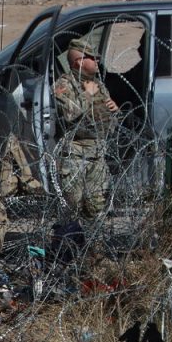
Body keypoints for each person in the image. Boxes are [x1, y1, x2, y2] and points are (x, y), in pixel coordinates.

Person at [53, 38, 119, 219]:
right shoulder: (64, 84)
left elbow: (104, 116)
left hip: (97, 153)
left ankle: (93, 245)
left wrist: (113, 109)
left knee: (96, 208)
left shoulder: (98, 84)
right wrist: (87, 94)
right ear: (80, 62)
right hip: (76, 155)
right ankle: (69, 245)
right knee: (73, 207)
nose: (97, 61)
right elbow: (68, 113)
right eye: (92, 58)